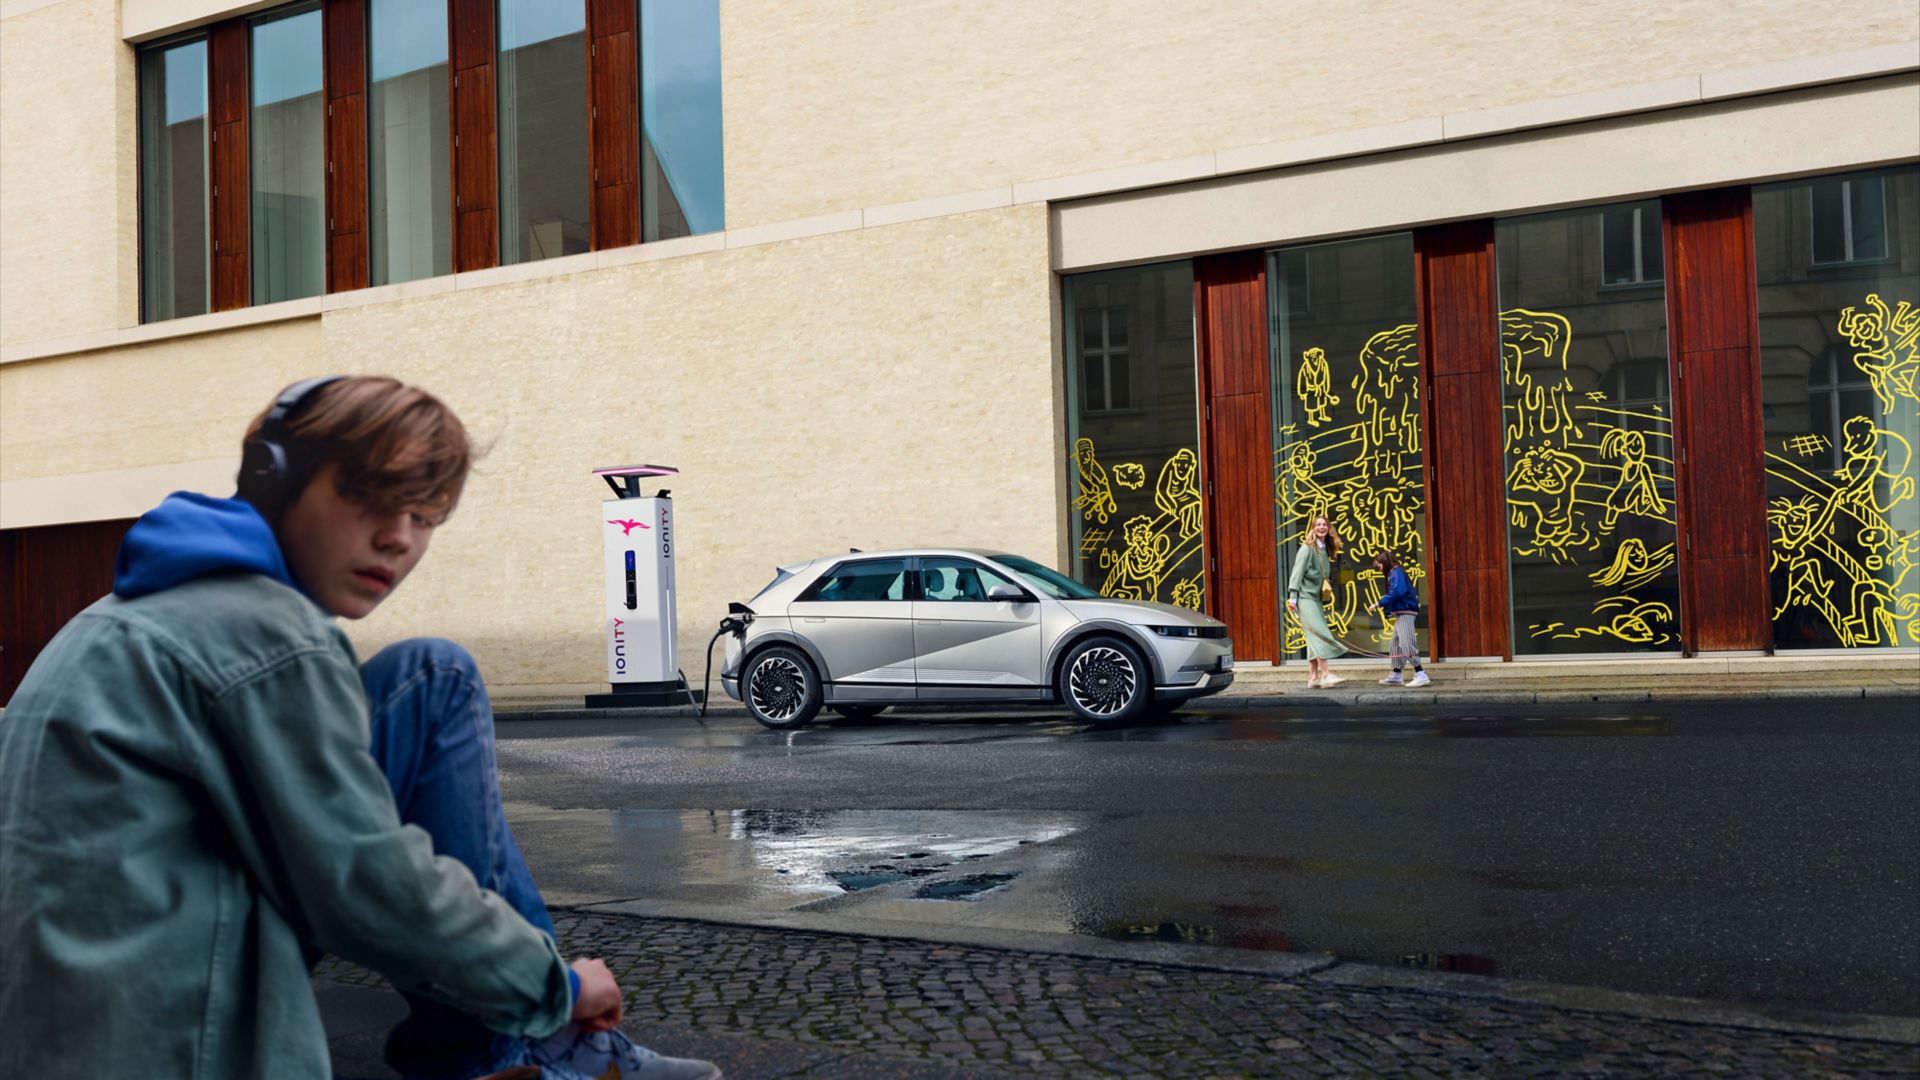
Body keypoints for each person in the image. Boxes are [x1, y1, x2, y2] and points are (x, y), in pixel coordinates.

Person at [0, 376, 720, 1080]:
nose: (397, 538)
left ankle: (497, 1048)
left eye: (424, 517)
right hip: (159, 1035)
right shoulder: (265, 632)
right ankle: (502, 1049)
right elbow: (362, 878)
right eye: (368, 498)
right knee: (439, 684)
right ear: (273, 479)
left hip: (69, 1004)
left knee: (429, 677)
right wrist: (552, 986)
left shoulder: (138, 606)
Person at [1285, 515, 1347, 688]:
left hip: (1315, 599)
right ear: (1312, 528)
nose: (1321, 527)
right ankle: (1326, 674)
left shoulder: (1323, 549)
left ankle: (1313, 678)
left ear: (1328, 528)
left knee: (1313, 637)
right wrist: (1293, 597)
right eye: (1318, 525)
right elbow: (1297, 573)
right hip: (1305, 599)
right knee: (1320, 633)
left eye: (1324, 525)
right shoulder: (1307, 548)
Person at [1365, 551, 1430, 687]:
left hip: (1406, 611)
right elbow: (1396, 593)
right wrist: (1387, 610)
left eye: (1379, 566)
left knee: (1406, 643)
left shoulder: (1396, 572)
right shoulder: (1394, 573)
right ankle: (1396, 674)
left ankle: (1420, 673)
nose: (1379, 569)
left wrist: (1378, 603)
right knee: (1395, 644)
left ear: (1385, 562)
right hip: (1402, 611)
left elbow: (1397, 592)